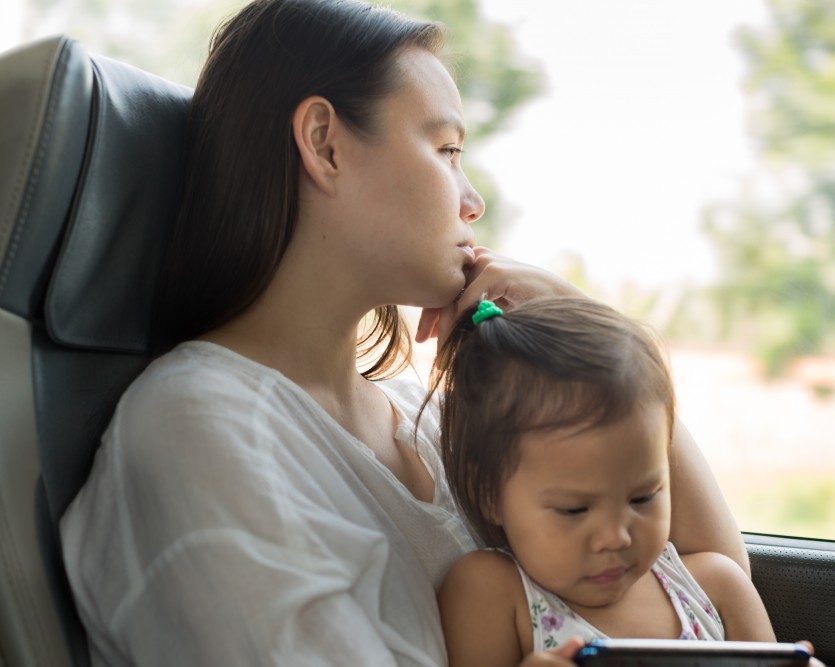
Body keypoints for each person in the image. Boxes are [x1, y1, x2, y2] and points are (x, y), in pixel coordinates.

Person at [59, 0, 749, 665]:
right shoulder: (199, 429)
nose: (472, 201)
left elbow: (702, 583)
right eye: (446, 148)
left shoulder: (430, 422)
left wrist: (587, 320)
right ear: (325, 144)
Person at [430, 297, 785, 667]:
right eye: (575, 509)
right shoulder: (491, 593)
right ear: (488, 493)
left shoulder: (717, 587)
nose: (617, 536)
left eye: (643, 498)